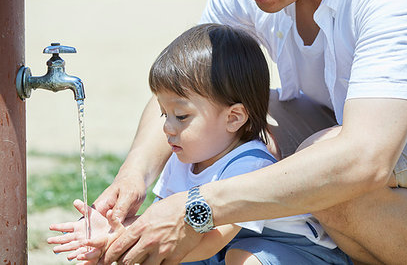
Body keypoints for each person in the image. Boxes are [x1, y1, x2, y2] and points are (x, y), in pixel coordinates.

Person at [95, 0, 407, 264]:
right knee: (223, 117)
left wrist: (195, 208)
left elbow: (364, 158)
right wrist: (134, 177)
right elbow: (189, 92)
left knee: (331, 171)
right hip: (353, 128)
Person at [47, 23, 352, 264]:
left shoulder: (250, 163)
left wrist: (123, 242)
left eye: (181, 115)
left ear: (234, 117)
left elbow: (209, 243)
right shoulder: (184, 156)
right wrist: (113, 232)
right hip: (220, 249)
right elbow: (162, 224)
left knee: (241, 258)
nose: (167, 127)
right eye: (164, 114)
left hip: (297, 252)